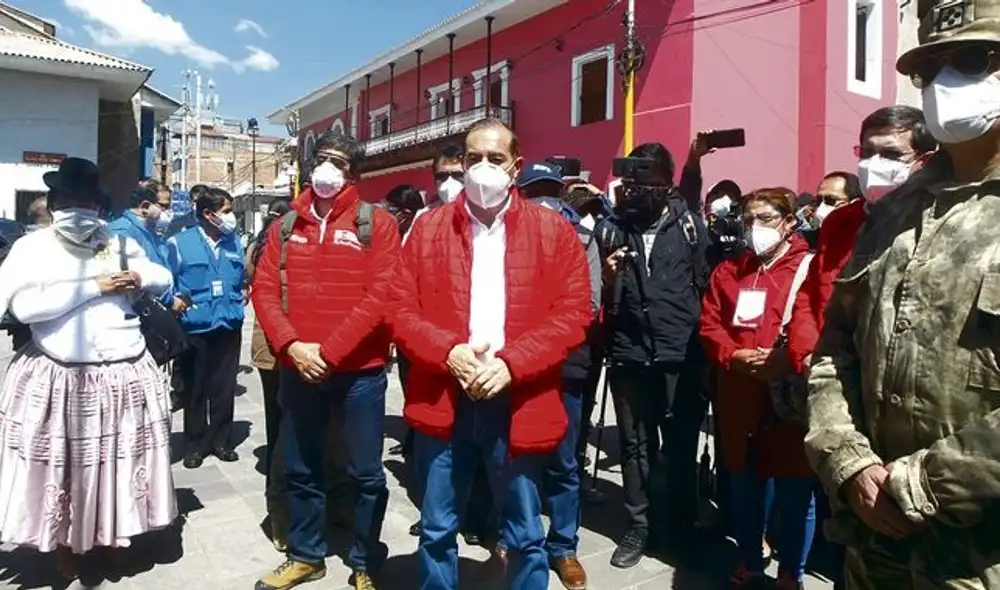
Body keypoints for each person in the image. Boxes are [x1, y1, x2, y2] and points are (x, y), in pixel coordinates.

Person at [805, 3, 1000, 587]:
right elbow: (834, 351)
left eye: (969, 59)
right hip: (874, 550)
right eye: (929, 69)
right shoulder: (891, 213)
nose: (944, 83)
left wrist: (918, 484)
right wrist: (848, 460)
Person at [391, 118, 591, 589]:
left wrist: (511, 364)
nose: (483, 168)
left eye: (495, 159)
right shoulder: (427, 230)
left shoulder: (553, 232)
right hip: (446, 397)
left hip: (517, 399)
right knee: (438, 527)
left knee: (524, 530)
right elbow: (399, 309)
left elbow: (575, 314)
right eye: (473, 158)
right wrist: (448, 352)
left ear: (516, 166)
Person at [0, 157, 176, 578]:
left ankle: (113, 537)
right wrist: (93, 286)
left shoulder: (115, 243)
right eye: (72, 202)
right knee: (67, 466)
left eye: (88, 203)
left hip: (124, 370)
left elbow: (164, 276)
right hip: (62, 376)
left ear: (99, 205)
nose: (81, 211)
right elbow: (23, 306)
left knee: (116, 464)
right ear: (56, 203)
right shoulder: (32, 247)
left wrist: (137, 276)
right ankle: (66, 545)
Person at [252, 131, 398, 590]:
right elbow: (264, 290)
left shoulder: (377, 223)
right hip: (299, 367)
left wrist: (331, 352)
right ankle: (305, 555)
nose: (327, 169)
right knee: (300, 466)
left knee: (365, 472)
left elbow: (382, 296)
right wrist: (292, 345)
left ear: (355, 172)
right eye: (321, 159)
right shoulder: (285, 225)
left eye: (338, 161)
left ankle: (363, 560)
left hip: (359, 373)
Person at [596, 142, 711, 568]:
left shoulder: (690, 226)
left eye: (647, 183)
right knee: (634, 446)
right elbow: (596, 298)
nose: (637, 192)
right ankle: (639, 525)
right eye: (631, 183)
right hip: (629, 353)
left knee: (679, 446)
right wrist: (607, 281)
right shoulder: (610, 229)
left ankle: (679, 526)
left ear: (666, 186)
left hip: (681, 355)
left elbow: (706, 285)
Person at [700, 187, 817, 590]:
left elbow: (818, 323)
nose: (755, 228)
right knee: (744, 486)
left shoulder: (809, 269)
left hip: (786, 398)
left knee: (795, 490)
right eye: (748, 219)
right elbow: (710, 323)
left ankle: (790, 574)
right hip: (737, 395)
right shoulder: (729, 271)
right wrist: (731, 355)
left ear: (789, 222)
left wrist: (787, 359)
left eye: (765, 218)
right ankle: (749, 559)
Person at [787, 105, 936, 377]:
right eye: (867, 153)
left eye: (890, 154)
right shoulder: (839, 222)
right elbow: (810, 295)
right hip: (827, 374)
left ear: (923, 161)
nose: (873, 164)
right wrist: (807, 353)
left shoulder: (938, 222)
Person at [166, 187, 245, 469]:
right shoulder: (179, 242)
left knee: (223, 387)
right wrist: (173, 302)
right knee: (195, 388)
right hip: (195, 326)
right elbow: (168, 280)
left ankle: (221, 440)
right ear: (209, 214)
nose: (231, 217)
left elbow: (242, 277)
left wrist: (243, 293)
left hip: (228, 323)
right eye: (226, 211)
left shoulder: (233, 242)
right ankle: (195, 444)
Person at [245, 199, 293, 551]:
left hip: (292, 349)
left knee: (281, 426)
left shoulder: (260, 241)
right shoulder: (272, 243)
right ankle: (280, 513)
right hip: (276, 349)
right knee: (282, 427)